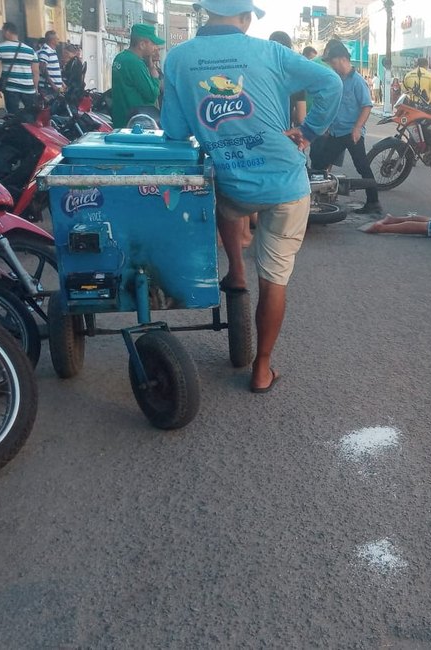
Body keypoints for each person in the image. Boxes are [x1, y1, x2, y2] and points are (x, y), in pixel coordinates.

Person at [161, 0, 341, 393]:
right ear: (245, 18)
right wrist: (308, 131)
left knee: (225, 200)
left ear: (205, 13)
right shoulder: (270, 52)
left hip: (233, 179)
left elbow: (174, 131)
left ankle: (236, 270)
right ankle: (262, 368)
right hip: (286, 185)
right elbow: (332, 83)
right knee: (274, 280)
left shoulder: (178, 59)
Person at [309, 41, 382, 215]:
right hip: (336, 132)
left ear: (343, 59)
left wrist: (357, 128)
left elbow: (366, 106)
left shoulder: (357, 82)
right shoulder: (336, 80)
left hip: (351, 134)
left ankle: (374, 203)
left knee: (362, 166)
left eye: (333, 62)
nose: (332, 66)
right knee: (319, 162)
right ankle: (320, 198)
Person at [110, 24, 164, 128]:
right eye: (153, 44)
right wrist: (152, 67)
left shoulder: (120, 57)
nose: (155, 48)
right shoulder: (135, 63)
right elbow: (152, 95)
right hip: (136, 125)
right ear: (142, 44)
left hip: (120, 120)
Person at [0, 22, 40, 116]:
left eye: (2, 32)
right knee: (30, 117)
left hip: (11, 89)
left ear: (7, 32)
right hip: (28, 88)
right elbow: (35, 73)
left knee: (13, 117)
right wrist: (35, 88)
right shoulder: (31, 50)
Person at [269, 31, 306, 127]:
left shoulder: (260, 75)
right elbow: (301, 118)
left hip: (260, 134)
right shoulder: (296, 78)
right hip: (284, 132)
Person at [60, 43, 86, 107]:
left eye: (66, 53)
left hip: (73, 91)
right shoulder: (72, 62)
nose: (64, 55)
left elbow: (71, 76)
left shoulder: (74, 62)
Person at [37, 30, 63, 96]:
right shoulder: (45, 51)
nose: (59, 40)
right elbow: (43, 69)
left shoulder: (52, 51)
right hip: (49, 88)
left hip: (54, 87)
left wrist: (62, 83)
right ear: (52, 40)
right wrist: (53, 85)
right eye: (57, 39)